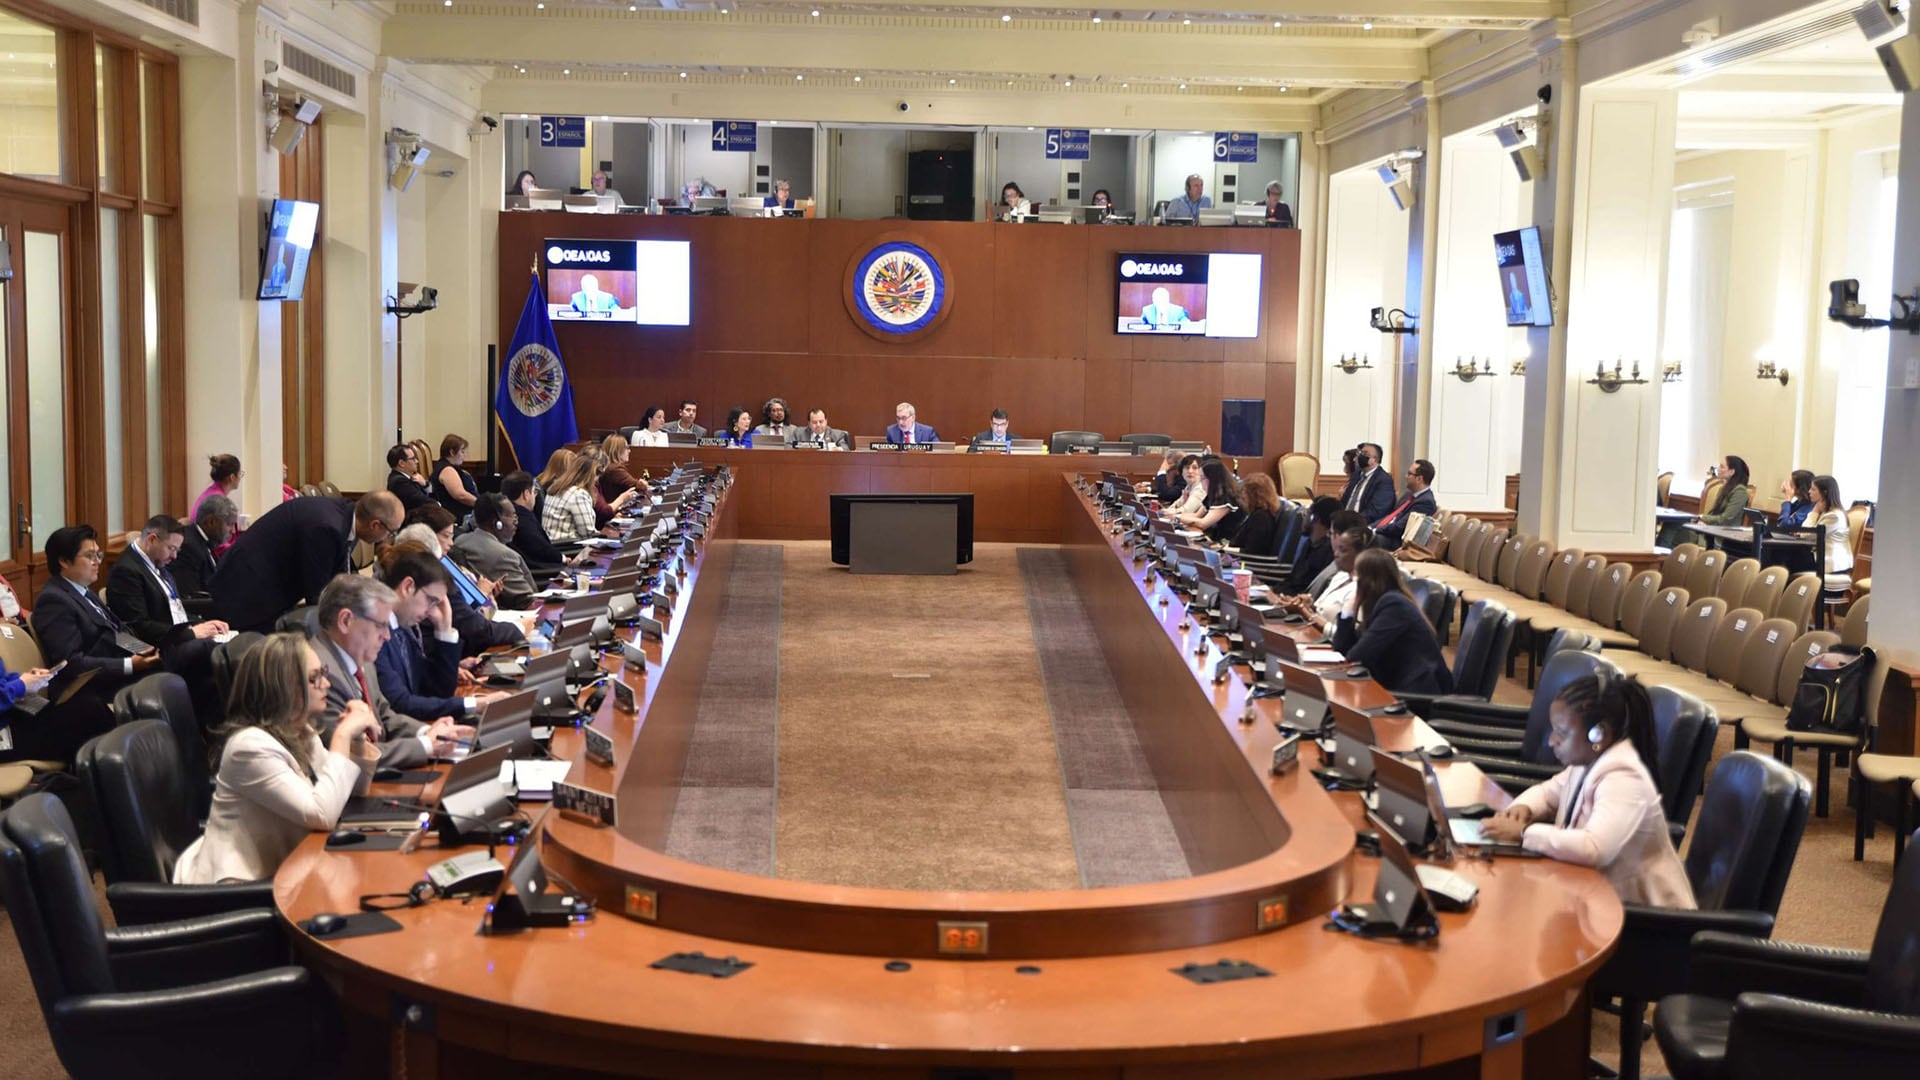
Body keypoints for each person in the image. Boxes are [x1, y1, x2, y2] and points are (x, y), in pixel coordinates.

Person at [171, 633, 380, 885]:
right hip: (237, 889)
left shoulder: (299, 730)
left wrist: (356, 738)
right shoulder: (249, 747)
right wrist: (343, 735)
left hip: (288, 871)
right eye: (314, 678)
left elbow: (353, 790)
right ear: (284, 689)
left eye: (323, 672)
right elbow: (322, 813)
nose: (326, 684)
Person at [1480, 672, 1695, 907]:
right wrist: (1523, 808)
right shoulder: (1589, 760)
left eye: (1561, 733)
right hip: (1593, 900)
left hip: (1645, 920)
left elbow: (1594, 848)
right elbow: (1548, 792)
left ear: (1598, 733)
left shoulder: (1624, 779)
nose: (1552, 741)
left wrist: (1524, 833)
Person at [309, 574, 470, 769]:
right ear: (346, 621)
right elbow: (355, 755)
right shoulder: (317, 674)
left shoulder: (362, 660)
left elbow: (384, 715)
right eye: (381, 625)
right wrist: (426, 745)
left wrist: (428, 732)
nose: (387, 636)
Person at [209, 491, 405, 634]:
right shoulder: (327, 528)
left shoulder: (345, 518)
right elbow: (319, 593)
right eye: (391, 531)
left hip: (264, 587)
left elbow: (339, 579)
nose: (389, 537)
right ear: (375, 525)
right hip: (247, 591)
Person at [32, 525, 164, 693]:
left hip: (118, 667)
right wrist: (130, 665)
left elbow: (115, 632)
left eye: (98, 554)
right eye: (90, 556)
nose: (98, 561)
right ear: (64, 561)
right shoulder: (53, 601)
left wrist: (143, 650)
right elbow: (70, 664)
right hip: (91, 687)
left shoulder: (83, 590)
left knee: (177, 661)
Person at [373, 544, 494, 724]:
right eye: (431, 600)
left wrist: (444, 630)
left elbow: (438, 690)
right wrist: (473, 704)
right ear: (408, 587)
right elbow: (401, 704)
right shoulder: (376, 632)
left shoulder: (404, 628)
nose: (431, 612)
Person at [104, 515, 228, 686]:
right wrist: (191, 633)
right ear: (152, 539)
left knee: (223, 644)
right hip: (151, 648)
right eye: (171, 548)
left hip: (172, 637)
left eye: (177, 550)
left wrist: (202, 623)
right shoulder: (126, 571)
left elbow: (172, 606)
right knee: (216, 653)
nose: (175, 556)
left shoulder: (158, 563)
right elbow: (137, 626)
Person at [1329, 549, 1453, 695]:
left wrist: (1355, 600)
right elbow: (1343, 651)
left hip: (1415, 695)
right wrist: (1348, 610)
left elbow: (1356, 657)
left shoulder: (1394, 605)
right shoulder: (1383, 604)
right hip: (1396, 689)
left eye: (1357, 577)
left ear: (1367, 581)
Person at [0, 654, 113, 765]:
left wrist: (28, 679)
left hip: (11, 712)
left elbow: (3, 679)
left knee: (90, 707)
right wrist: (20, 685)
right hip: (4, 730)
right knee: (88, 716)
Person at [454, 494, 539, 608]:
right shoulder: (504, 556)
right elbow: (529, 603)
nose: (516, 521)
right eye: (512, 516)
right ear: (497, 523)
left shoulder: (460, 541)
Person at [1281, 524, 1371, 629]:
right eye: (1337, 548)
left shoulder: (1362, 589)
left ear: (1361, 555)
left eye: (1343, 550)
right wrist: (1308, 604)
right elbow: (1320, 611)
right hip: (1310, 633)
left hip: (1328, 644)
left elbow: (1347, 636)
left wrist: (1304, 612)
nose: (1336, 554)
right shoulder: (1340, 576)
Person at [501, 469, 568, 579]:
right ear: (526, 494)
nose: (535, 496)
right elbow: (540, 548)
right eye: (534, 492)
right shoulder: (521, 518)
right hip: (542, 574)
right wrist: (562, 558)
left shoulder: (508, 515)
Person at [174, 494, 236, 600]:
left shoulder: (204, 540)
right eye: (230, 524)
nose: (233, 531)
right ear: (211, 522)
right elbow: (191, 597)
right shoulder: (189, 547)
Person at [1282, 497, 1344, 595]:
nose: (1303, 518)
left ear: (1315, 518)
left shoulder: (1329, 552)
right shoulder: (1309, 544)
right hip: (1284, 596)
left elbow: (1306, 591)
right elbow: (1291, 581)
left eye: (1306, 514)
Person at [1374, 459, 1438, 550]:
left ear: (1419, 478)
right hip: (1387, 533)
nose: (1406, 476)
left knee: (1366, 540)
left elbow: (1400, 528)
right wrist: (1371, 527)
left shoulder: (1426, 502)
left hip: (1398, 542)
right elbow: (1390, 516)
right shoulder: (1408, 495)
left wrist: (1376, 530)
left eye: (1409, 474)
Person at [542, 453, 604, 543]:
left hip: (553, 545)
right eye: (597, 475)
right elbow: (588, 533)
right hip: (569, 547)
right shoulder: (578, 494)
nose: (597, 480)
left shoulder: (555, 488)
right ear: (589, 476)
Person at [1178, 460, 1246, 542]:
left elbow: (1203, 524)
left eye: (1202, 478)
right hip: (1215, 539)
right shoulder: (1212, 494)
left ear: (1213, 479)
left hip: (1226, 544)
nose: (1200, 481)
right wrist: (1175, 517)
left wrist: (1177, 518)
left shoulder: (1226, 497)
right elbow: (1196, 515)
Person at [1809, 474, 1854, 591]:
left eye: (1813, 489)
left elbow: (1807, 535)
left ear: (1824, 492)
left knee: (1787, 560)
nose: (1809, 492)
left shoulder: (1834, 516)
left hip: (1831, 565)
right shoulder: (1827, 513)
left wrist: (1814, 512)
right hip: (1821, 559)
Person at [1341, 442, 1396, 523]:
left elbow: (1376, 512)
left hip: (1362, 524)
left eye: (1364, 453)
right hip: (1344, 521)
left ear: (1375, 460)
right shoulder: (1356, 475)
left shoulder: (1384, 480)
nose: (1358, 457)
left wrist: (1351, 521)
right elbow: (1344, 502)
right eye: (1359, 453)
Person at [1231, 474, 1283, 555]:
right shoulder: (1259, 514)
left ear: (1253, 495)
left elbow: (1251, 552)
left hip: (1248, 563)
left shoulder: (1261, 519)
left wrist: (1224, 549)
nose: (1242, 497)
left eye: (1244, 493)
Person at [1694, 454, 1751, 528]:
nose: (1718, 469)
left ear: (1731, 472)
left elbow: (1725, 519)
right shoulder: (1723, 488)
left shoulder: (1740, 492)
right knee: (1678, 526)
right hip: (1710, 528)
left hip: (1723, 534)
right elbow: (1714, 513)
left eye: (1722, 466)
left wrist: (1702, 517)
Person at [190, 453, 243, 531]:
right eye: (240, 474)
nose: (240, 478)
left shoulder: (211, 493)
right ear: (232, 477)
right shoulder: (218, 501)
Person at [431, 434, 480, 516]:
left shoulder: (449, 468)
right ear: (452, 452)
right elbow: (461, 495)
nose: (464, 455)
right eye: (462, 451)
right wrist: (482, 505)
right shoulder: (447, 470)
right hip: (457, 517)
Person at [384, 443, 434, 513]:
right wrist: (439, 505)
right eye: (413, 459)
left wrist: (425, 485)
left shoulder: (410, 478)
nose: (417, 461)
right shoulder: (400, 482)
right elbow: (422, 501)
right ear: (401, 463)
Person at [598, 434, 645, 504]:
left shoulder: (609, 466)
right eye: (627, 448)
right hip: (614, 510)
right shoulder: (615, 469)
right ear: (617, 450)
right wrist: (643, 484)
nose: (629, 451)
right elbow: (637, 486)